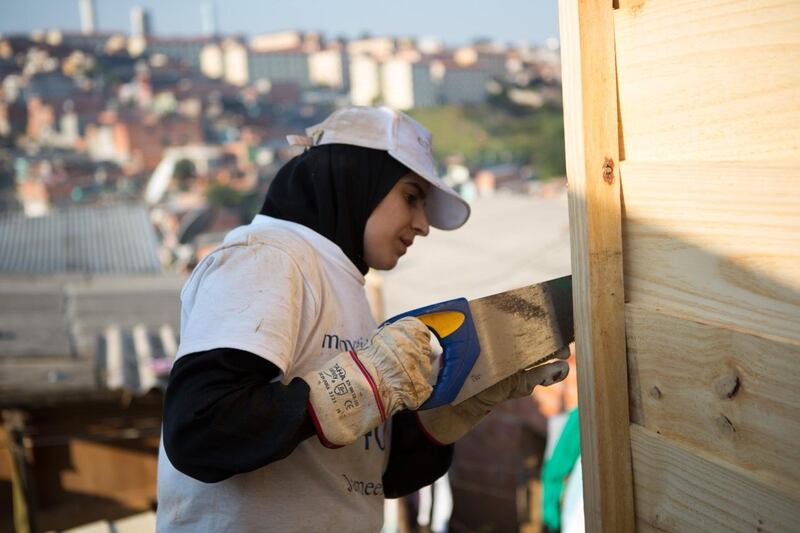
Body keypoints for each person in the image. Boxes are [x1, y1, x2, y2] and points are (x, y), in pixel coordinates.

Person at [156, 106, 569, 532]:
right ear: (356, 180)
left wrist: (445, 417)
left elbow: (367, 478)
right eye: (411, 197)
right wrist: (357, 385)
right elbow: (199, 431)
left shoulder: (342, 284)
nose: (423, 224)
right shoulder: (268, 259)